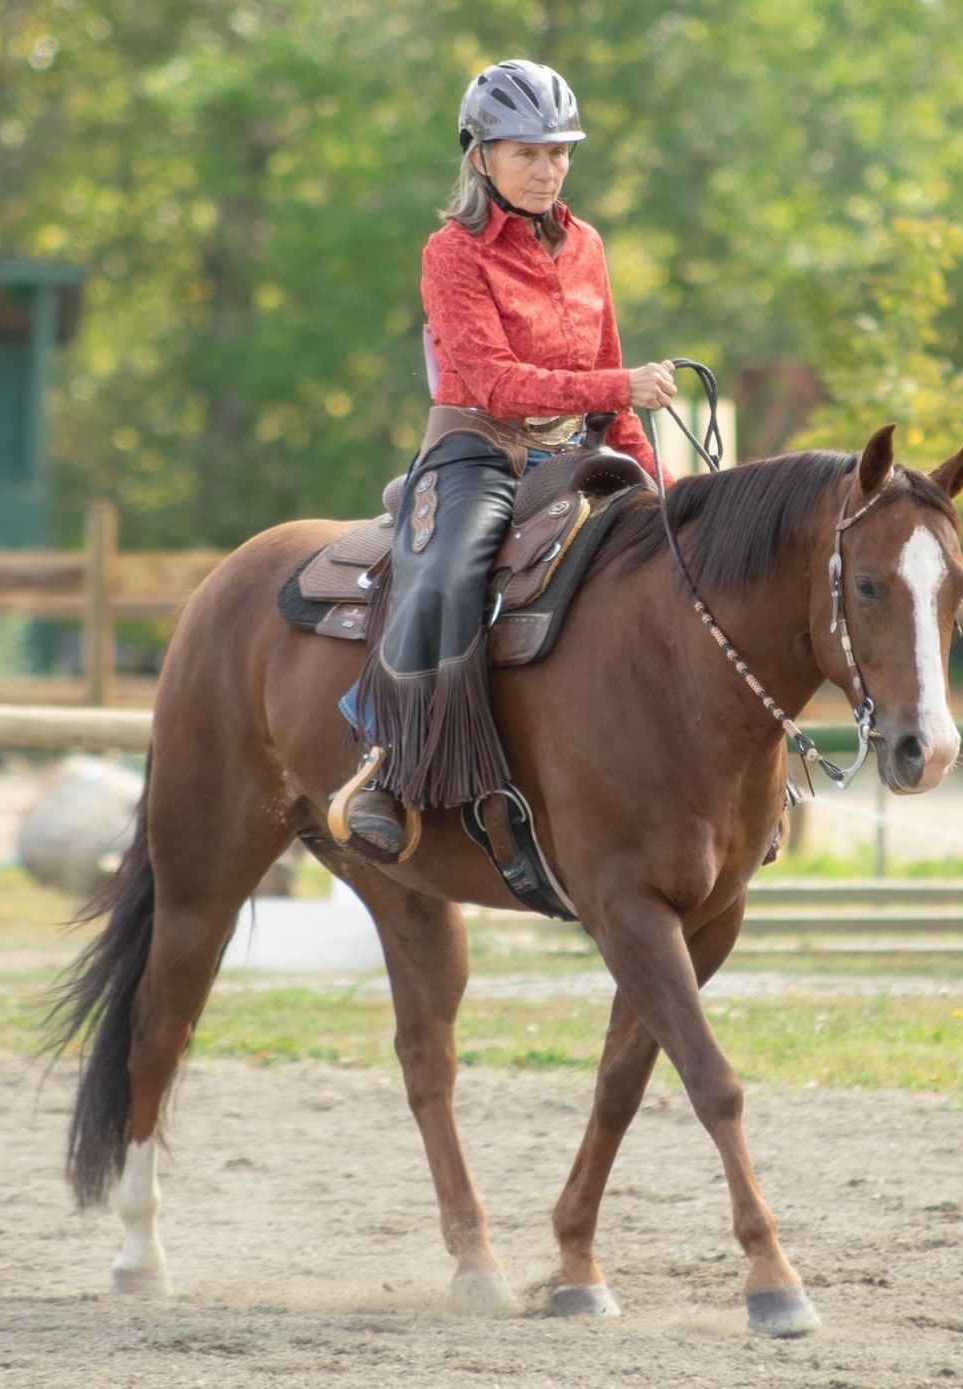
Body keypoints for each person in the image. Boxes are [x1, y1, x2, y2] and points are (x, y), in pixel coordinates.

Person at [333, 58, 677, 858]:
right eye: (526, 151)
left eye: (559, 151)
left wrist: (660, 488)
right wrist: (618, 382)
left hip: (576, 450)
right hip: (477, 447)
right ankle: (388, 757)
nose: (546, 168)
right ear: (480, 155)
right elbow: (491, 379)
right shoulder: (451, 252)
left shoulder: (587, 244)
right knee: (451, 569)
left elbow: (610, 392)